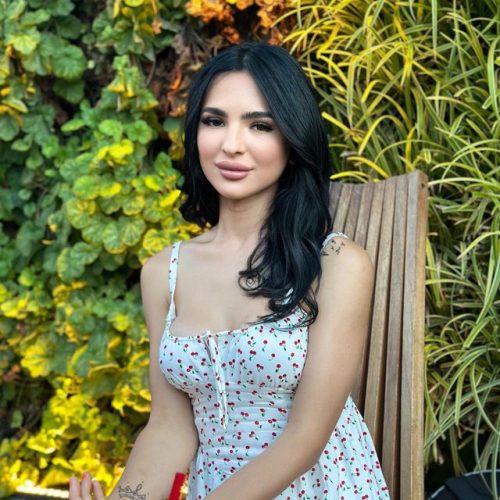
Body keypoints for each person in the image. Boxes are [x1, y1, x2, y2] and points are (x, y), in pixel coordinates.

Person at [69, 41, 390, 499]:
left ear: (292, 140)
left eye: (260, 125)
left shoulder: (335, 263)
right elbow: (170, 429)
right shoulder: (164, 273)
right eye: (214, 121)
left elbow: (305, 438)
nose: (231, 145)